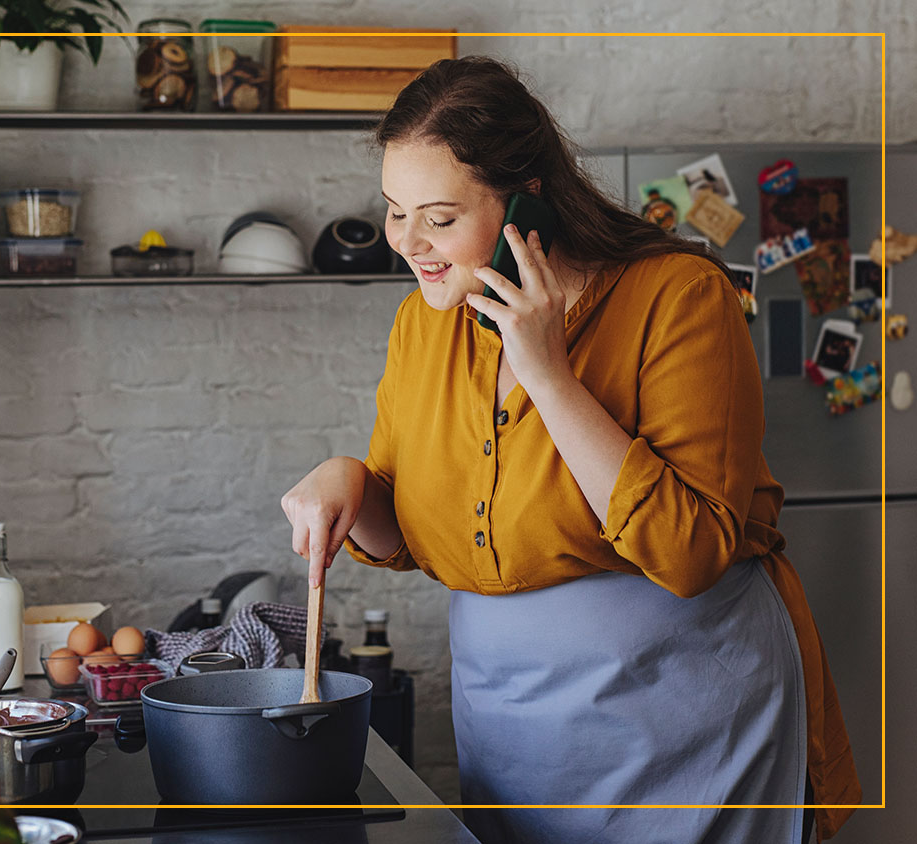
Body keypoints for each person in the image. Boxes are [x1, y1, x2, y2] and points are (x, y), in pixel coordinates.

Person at [280, 56, 860, 844]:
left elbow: (691, 553)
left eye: (440, 218)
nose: (408, 243)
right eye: (393, 211)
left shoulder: (681, 297)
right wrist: (349, 482)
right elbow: (414, 537)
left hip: (687, 724)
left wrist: (548, 375)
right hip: (514, 731)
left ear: (528, 205)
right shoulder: (425, 323)